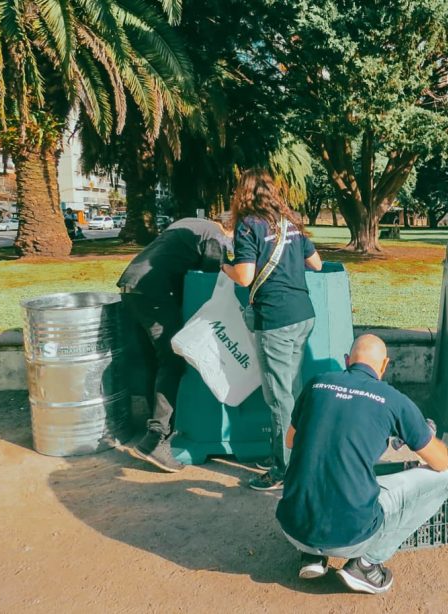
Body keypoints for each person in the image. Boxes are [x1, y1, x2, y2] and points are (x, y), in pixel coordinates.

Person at [276, 334, 448, 594]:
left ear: (347, 361)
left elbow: (291, 441)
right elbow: (440, 462)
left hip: (293, 529)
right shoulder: (394, 400)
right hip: (351, 536)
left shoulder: (316, 384)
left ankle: (311, 555)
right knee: (443, 479)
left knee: (319, 467)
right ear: (384, 366)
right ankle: (366, 566)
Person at [222, 169, 322, 491]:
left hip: (276, 320)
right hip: (303, 315)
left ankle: (283, 470)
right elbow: (316, 264)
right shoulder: (289, 223)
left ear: (245, 194)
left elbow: (245, 277)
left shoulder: (248, 225)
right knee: (289, 393)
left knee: (278, 398)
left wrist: (224, 265)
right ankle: (287, 453)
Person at [119, 218, 231, 472]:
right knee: (172, 361)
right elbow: (211, 277)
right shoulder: (215, 235)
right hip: (155, 294)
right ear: (229, 229)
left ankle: (152, 429)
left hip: (132, 286)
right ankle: (155, 440)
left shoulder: (192, 224)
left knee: (153, 361)